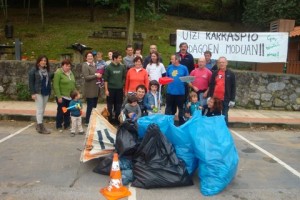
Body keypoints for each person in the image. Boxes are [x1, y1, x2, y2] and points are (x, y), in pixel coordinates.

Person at [208, 56, 236, 126]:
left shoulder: (231, 74)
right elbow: (211, 85)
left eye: (223, 62)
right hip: (215, 99)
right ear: (218, 63)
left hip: (225, 99)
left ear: (226, 63)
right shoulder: (215, 73)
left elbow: (233, 87)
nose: (221, 64)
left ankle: (224, 130)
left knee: (224, 115)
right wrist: (210, 96)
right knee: (214, 115)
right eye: (220, 62)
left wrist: (232, 99)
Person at [28, 55, 53, 134]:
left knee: (43, 109)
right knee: (40, 109)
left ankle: (39, 125)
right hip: (38, 92)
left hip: (46, 92)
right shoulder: (33, 70)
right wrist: (32, 93)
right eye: (42, 60)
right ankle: (41, 127)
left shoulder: (47, 71)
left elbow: (50, 78)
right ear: (38, 61)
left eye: (45, 61)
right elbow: (31, 82)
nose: (43, 62)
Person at [165, 54, 189, 125]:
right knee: (169, 110)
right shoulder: (169, 67)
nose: (171, 60)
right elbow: (166, 78)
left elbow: (187, 79)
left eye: (172, 59)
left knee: (181, 110)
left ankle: (181, 124)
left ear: (177, 60)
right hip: (170, 92)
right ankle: (168, 123)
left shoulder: (184, 68)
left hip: (180, 93)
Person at [103, 51, 126, 124]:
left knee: (119, 105)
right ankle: (110, 120)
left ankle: (117, 119)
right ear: (115, 58)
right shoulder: (108, 67)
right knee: (110, 106)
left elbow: (123, 77)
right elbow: (106, 80)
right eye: (119, 58)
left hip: (119, 90)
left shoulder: (122, 67)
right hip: (111, 89)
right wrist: (106, 90)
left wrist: (122, 85)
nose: (120, 59)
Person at [53, 59, 76, 132]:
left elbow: (73, 84)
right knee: (61, 111)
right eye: (66, 66)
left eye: (69, 66)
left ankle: (67, 125)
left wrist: (75, 94)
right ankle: (58, 125)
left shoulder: (71, 73)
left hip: (69, 97)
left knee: (68, 111)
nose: (68, 67)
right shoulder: (58, 73)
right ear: (62, 66)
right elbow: (55, 85)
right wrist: (59, 96)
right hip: (62, 96)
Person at [82, 51, 101, 126]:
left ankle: (92, 120)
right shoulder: (85, 65)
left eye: (91, 56)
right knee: (90, 106)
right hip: (89, 89)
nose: (90, 57)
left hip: (96, 88)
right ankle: (87, 121)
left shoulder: (95, 65)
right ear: (86, 58)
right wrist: (96, 75)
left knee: (94, 106)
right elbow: (86, 77)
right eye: (88, 56)